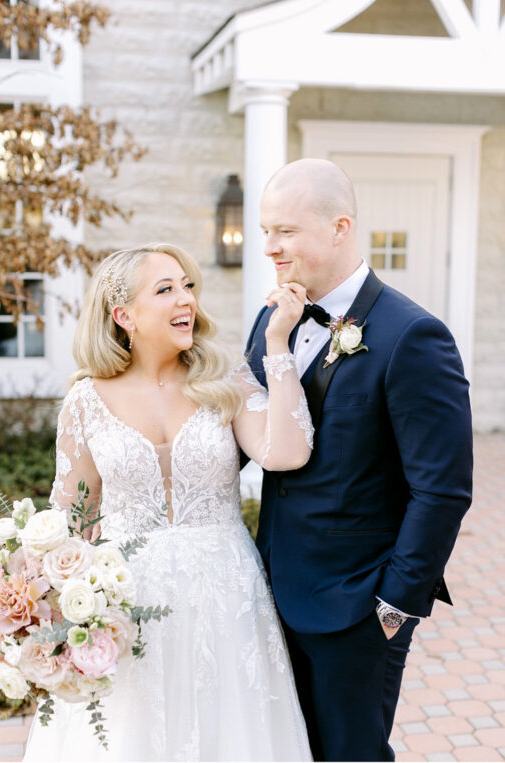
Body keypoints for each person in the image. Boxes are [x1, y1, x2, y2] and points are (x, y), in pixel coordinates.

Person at [24, 243, 313, 761]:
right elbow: (74, 523)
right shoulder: (86, 400)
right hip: (127, 609)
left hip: (225, 598)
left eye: (187, 286)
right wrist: (57, 621)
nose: (186, 300)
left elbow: (285, 453)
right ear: (124, 315)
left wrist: (277, 343)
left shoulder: (224, 379)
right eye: (165, 289)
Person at [246, 158, 472, 761]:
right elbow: (247, 436)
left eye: (286, 231)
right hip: (270, 590)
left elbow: (443, 491)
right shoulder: (273, 321)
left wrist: (395, 607)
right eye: (266, 230)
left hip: (357, 607)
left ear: (339, 227)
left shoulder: (413, 336)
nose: (270, 246)